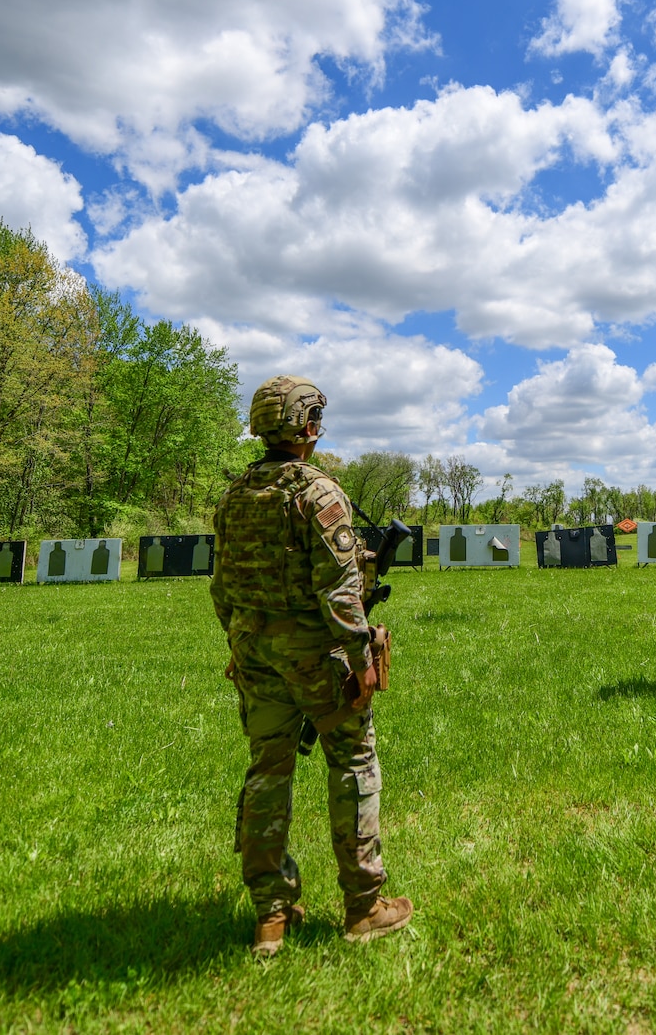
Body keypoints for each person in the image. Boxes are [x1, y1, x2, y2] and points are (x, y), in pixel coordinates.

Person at [211, 376, 411, 957]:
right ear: (307, 425)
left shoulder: (234, 495)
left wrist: (241, 643)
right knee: (353, 764)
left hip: (255, 653)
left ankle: (271, 916)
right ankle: (365, 907)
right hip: (319, 657)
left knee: (267, 772)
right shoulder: (318, 494)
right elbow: (340, 595)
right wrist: (360, 659)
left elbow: (222, 589)